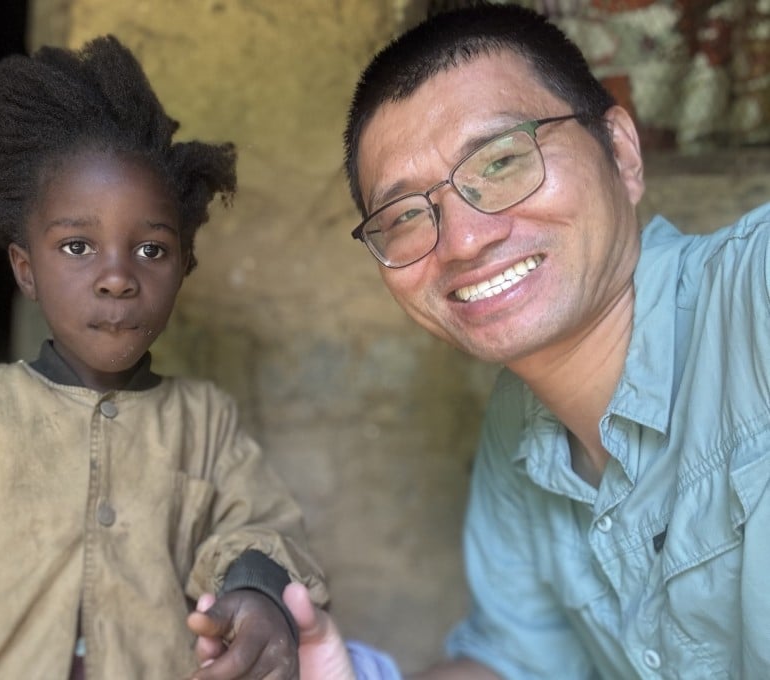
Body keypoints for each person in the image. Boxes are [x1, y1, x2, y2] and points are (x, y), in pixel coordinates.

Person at [229, 2, 770, 679]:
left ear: (622, 153)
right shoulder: (518, 434)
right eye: (404, 216)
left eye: (504, 160)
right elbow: (519, 664)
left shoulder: (757, 296)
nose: (463, 240)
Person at [0, 35, 328, 680]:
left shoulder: (205, 423)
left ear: (183, 265)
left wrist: (255, 591)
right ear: (25, 269)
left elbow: (258, 528)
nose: (117, 278)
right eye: (77, 247)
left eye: (151, 250)